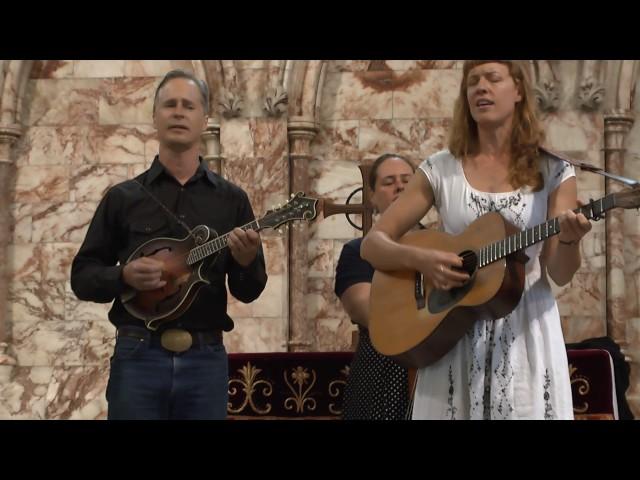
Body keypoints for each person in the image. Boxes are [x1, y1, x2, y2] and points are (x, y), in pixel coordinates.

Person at [360, 61, 592, 419]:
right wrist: (423, 262)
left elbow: (559, 273)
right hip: (453, 329)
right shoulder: (440, 168)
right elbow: (373, 244)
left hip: (525, 331)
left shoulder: (554, 171)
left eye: (492, 78)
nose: (480, 88)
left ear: (518, 91)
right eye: (473, 82)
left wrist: (570, 241)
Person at [70, 69, 267, 420]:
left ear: (204, 119)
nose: (178, 112)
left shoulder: (232, 200)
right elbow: (82, 277)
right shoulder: (122, 198)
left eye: (188, 106)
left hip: (205, 360)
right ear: (155, 118)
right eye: (170, 105)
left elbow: (248, 291)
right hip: (138, 356)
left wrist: (247, 261)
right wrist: (124, 276)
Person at [335, 153, 416, 420]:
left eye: (407, 180)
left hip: (439, 368)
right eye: (389, 182)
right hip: (381, 372)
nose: (400, 187)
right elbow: (366, 309)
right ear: (372, 195)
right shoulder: (358, 252)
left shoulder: (443, 243)